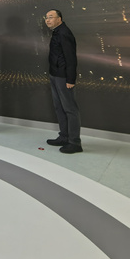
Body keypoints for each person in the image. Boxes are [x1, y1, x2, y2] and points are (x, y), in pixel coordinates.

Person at [44, 9, 82, 153]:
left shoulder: (64, 33)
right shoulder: (57, 32)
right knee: (59, 107)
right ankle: (64, 137)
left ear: (59, 19)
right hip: (55, 75)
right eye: (46, 17)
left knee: (70, 109)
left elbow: (71, 58)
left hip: (63, 77)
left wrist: (70, 79)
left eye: (51, 17)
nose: (47, 20)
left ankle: (75, 142)